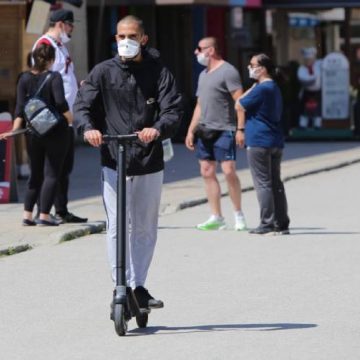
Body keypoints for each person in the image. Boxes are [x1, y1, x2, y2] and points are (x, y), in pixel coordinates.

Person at [73, 15, 182, 309]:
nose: (125, 41)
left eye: (131, 35)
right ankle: (120, 284)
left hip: (148, 159)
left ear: (144, 38)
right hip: (114, 158)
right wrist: (88, 129)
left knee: (145, 226)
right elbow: (82, 105)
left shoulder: (158, 72)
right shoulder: (103, 72)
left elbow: (172, 109)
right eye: (120, 36)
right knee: (117, 226)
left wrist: (157, 128)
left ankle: (139, 285)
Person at [0, 43, 72, 226]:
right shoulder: (54, 77)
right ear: (51, 60)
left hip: (32, 133)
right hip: (56, 132)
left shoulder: (23, 78)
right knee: (52, 174)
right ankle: (45, 215)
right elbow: (61, 103)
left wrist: (14, 131)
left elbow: (19, 109)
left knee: (35, 174)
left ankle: (27, 215)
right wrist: (71, 119)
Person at [185, 37, 246, 231]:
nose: (196, 53)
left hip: (225, 129)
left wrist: (240, 129)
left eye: (199, 48)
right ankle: (216, 216)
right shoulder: (203, 74)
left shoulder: (228, 71)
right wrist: (190, 130)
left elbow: (241, 102)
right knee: (207, 172)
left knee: (228, 171)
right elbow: (200, 105)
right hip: (205, 130)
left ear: (210, 50)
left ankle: (238, 214)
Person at [33, 8, 87, 223]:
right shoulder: (44, 45)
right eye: (71, 25)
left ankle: (61, 210)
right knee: (52, 168)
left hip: (66, 117)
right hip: (53, 117)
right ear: (61, 24)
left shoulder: (60, 46)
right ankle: (44, 211)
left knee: (65, 167)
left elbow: (65, 78)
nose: (72, 29)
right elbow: (38, 79)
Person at [235, 53, 290, 235]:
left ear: (263, 68)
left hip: (259, 139)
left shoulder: (261, 88)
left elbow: (239, 104)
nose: (250, 68)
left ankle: (266, 223)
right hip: (275, 140)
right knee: (276, 182)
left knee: (263, 183)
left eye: (252, 65)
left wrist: (251, 89)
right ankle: (281, 223)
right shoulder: (274, 87)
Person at [297, 47, 322, 129]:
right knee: (305, 109)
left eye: (311, 59)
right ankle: (303, 124)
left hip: (317, 91)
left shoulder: (318, 65)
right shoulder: (302, 68)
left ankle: (318, 124)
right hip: (307, 92)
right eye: (307, 60)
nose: (309, 61)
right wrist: (314, 78)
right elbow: (304, 79)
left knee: (317, 109)